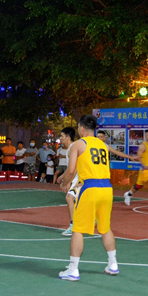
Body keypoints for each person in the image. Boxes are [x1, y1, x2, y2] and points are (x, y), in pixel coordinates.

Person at [58, 115, 118, 281]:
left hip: (90, 188)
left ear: (82, 128)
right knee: (105, 228)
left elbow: (71, 170)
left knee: (78, 229)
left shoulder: (78, 144)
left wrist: (65, 183)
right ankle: (113, 264)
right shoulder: (103, 145)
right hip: (107, 188)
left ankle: (73, 269)